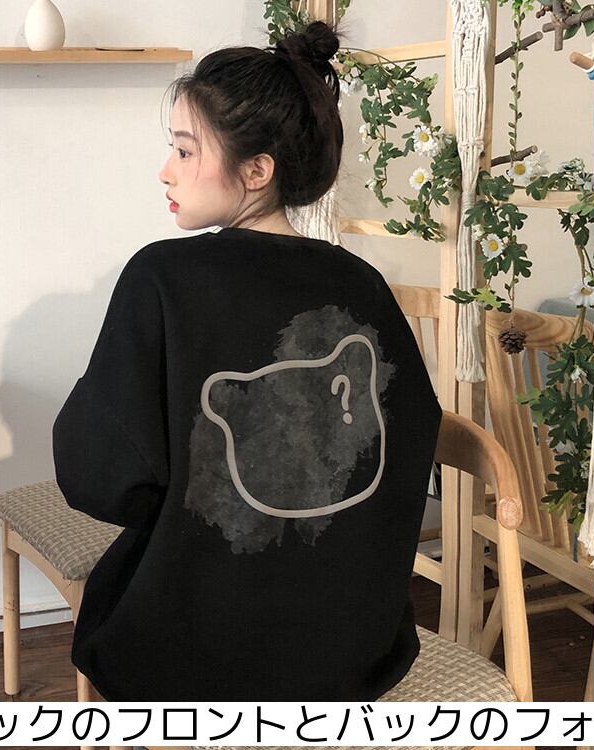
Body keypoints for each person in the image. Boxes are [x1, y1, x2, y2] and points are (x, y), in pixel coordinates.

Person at [52, 19, 442, 703]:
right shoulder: (361, 285)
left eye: (184, 150)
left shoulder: (163, 278)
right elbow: (408, 443)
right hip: (350, 653)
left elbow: (101, 478)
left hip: (196, 659)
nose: (166, 171)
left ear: (257, 170)